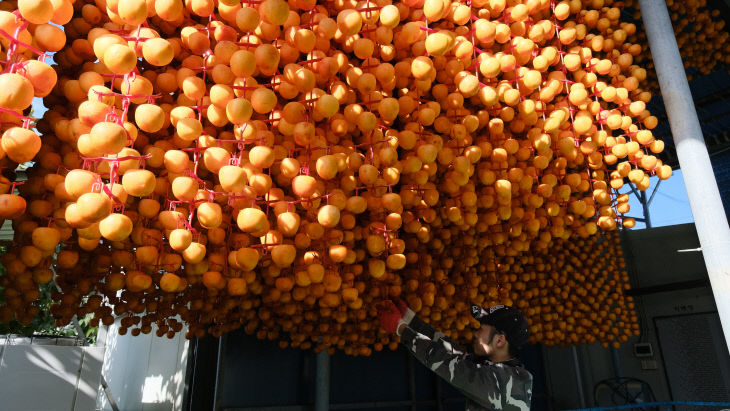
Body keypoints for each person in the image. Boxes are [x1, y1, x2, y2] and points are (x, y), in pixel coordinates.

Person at [377, 299, 533, 410]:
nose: (476, 335)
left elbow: (448, 363)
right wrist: (411, 321)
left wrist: (401, 329)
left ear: (499, 341)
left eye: (481, 329)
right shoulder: (501, 371)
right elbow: (451, 351)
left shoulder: (503, 383)